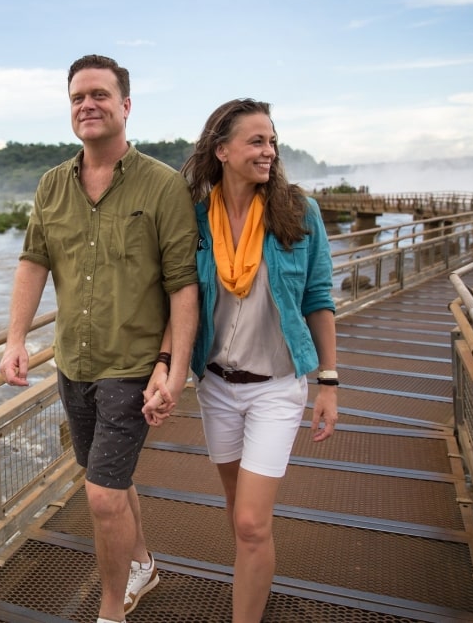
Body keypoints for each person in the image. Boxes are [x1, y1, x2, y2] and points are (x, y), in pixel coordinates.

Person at [0, 54, 199, 623]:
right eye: (77, 97)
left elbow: (183, 287)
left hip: (132, 365)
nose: (87, 104)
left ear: (125, 106)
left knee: (102, 495)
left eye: (100, 95)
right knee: (107, 478)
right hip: (73, 363)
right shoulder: (52, 185)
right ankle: (143, 564)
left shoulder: (163, 187)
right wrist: (15, 339)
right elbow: (33, 261)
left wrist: (174, 369)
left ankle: (112, 610)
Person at [178, 98, 338, 623]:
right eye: (256, 141)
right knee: (239, 510)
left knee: (249, 521)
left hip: (276, 385)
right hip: (217, 386)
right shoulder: (198, 220)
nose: (268, 151)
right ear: (222, 150)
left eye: (272, 141)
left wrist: (329, 383)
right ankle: (254, 567)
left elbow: (318, 298)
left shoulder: (298, 212)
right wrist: (167, 368)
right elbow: (178, 299)